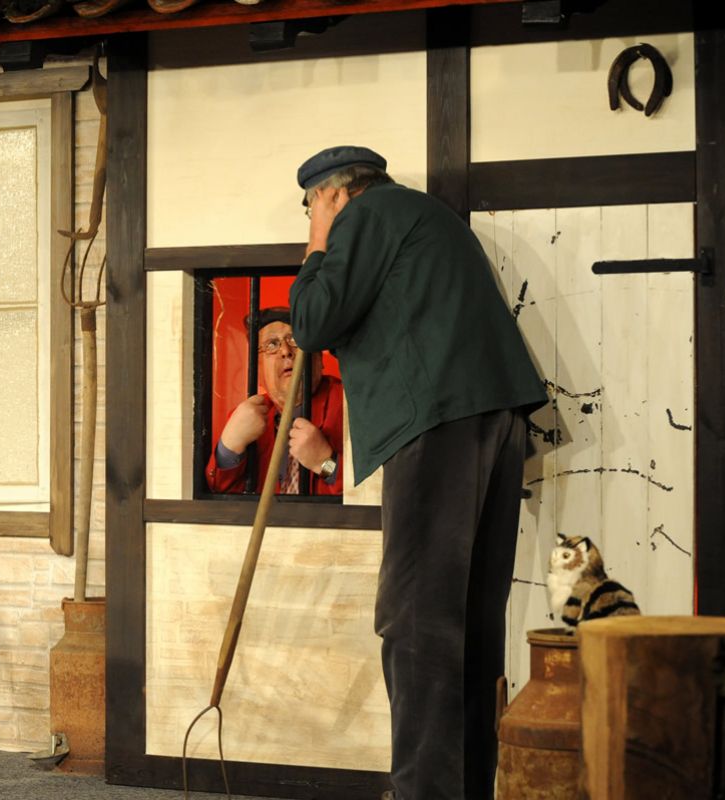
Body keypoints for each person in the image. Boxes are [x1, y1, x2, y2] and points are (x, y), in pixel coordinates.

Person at [288, 146, 547, 800]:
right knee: (469, 621)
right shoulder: (423, 217)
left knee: (415, 620)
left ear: (333, 194)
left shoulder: (366, 215)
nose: (312, 217)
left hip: (439, 423)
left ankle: (424, 793)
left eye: (311, 205)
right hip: (491, 418)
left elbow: (312, 320)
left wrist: (318, 243)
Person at [206, 307, 343, 496]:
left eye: (295, 340)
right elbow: (221, 496)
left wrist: (325, 463)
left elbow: (375, 490)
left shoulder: (348, 405)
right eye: (271, 345)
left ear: (320, 358)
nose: (286, 351)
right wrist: (228, 448)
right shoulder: (248, 414)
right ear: (258, 368)